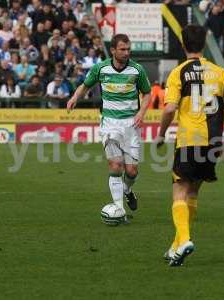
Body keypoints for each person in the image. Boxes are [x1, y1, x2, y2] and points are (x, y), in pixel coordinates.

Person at [155, 25, 224, 267]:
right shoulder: (220, 72)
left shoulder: (178, 72)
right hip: (212, 142)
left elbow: (170, 108)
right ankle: (176, 245)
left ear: (183, 45)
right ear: (203, 45)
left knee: (179, 191)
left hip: (189, 140)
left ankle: (184, 241)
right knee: (193, 192)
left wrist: (161, 135)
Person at [67, 34, 151, 222]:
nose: (126, 52)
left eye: (128, 49)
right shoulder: (100, 68)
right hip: (110, 124)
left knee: (132, 171)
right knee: (115, 165)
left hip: (131, 125)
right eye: (122, 49)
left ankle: (127, 190)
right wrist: (74, 98)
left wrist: (141, 113)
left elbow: (147, 94)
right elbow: (85, 86)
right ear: (113, 50)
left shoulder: (137, 70)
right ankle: (119, 210)